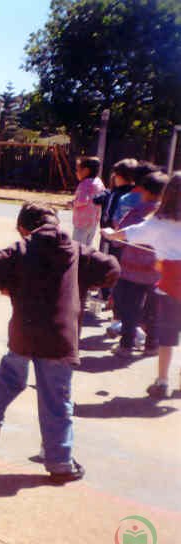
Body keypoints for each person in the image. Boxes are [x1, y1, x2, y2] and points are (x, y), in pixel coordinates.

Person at [0, 202, 120, 483]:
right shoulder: (77, 249)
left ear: (22, 228)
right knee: (56, 399)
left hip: (24, 332)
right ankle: (60, 461)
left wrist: (7, 284)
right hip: (59, 338)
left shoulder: (20, 249)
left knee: (9, 377)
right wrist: (82, 282)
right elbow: (111, 268)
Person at [103, 172, 181, 399]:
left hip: (172, 283)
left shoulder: (158, 221)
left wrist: (110, 234)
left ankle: (163, 381)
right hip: (170, 278)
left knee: (168, 335)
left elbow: (130, 233)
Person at [109, 172, 168, 357]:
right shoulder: (170, 215)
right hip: (158, 272)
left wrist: (111, 235)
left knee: (130, 309)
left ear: (144, 191)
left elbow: (119, 239)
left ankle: (126, 345)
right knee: (154, 310)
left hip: (131, 272)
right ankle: (152, 345)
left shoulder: (136, 213)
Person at [94, 158, 138, 306]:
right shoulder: (129, 192)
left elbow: (113, 214)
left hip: (113, 235)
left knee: (110, 263)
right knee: (117, 264)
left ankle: (107, 293)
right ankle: (110, 294)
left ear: (119, 176)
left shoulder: (120, 194)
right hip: (120, 236)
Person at [71, 156, 106, 246]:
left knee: (77, 246)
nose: (76, 173)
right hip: (93, 221)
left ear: (86, 171)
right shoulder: (99, 182)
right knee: (87, 246)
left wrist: (72, 203)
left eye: (78, 170)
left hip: (82, 222)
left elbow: (82, 200)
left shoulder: (84, 184)